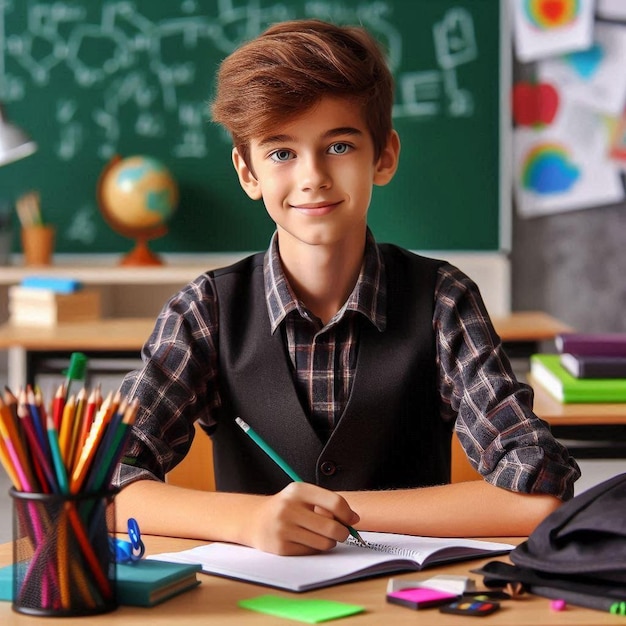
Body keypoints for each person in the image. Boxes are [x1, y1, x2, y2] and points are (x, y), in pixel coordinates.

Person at [113, 19, 580, 556]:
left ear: (383, 156)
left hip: (407, 600)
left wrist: (334, 511)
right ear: (248, 172)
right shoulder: (205, 310)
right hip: (251, 608)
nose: (312, 175)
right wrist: (253, 519)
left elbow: (539, 490)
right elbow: (97, 483)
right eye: (282, 153)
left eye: (338, 146)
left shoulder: (442, 300)